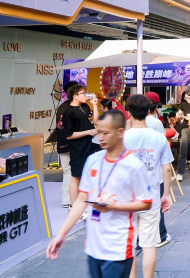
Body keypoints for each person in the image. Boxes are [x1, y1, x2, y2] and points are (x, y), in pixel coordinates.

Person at [46, 110, 153, 278]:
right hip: (93, 247)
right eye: (98, 132)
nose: (100, 137)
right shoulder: (93, 160)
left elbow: (146, 202)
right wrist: (61, 234)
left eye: (105, 133)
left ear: (120, 132)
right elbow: (81, 200)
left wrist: (113, 207)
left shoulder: (134, 166)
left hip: (118, 247)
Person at [123, 95, 173, 278]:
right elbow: (167, 168)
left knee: (129, 246)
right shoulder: (159, 137)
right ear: (148, 112)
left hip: (126, 199)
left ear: (128, 113)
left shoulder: (122, 137)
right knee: (148, 245)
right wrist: (166, 194)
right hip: (150, 198)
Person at [62, 84, 100, 209]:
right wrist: (88, 132)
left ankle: (84, 204)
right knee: (76, 177)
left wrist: (95, 105)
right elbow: (69, 135)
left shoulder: (84, 107)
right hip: (78, 148)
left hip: (89, 146)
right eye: (83, 93)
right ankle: (73, 206)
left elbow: (96, 122)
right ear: (75, 96)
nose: (86, 95)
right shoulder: (68, 112)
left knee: (86, 176)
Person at [55, 80, 79, 208]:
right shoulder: (73, 108)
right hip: (72, 145)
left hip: (62, 144)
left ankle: (66, 199)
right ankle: (70, 199)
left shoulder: (61, 107)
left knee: (67, 172)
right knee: (72, 173)